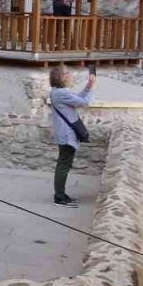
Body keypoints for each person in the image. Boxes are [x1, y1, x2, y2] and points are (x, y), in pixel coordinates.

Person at [49, 66, 96, 208]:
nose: (70, 75)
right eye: (67, 73)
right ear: (60, 77)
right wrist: (93, 88)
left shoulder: (60, 92)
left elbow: (78, 98)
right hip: (66, 134)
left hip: (65, 132)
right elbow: (85, 102)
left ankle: (61, 194)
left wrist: (88, 87)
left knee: (64, 163)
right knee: (63, 165)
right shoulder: (61, 93)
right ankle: (59, 196)